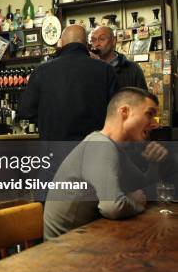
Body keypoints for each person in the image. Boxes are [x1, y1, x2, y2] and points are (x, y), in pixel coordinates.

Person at [44, 87, 167, 239]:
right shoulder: (101, 146)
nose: (154, 124)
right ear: (124, 112)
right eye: (149, 114)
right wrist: (136, 202)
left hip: (87, 240)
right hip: (62, 252)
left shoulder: (113, 147)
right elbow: (113, 207)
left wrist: (154, 163)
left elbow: (142, 185)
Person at [18, 24, 118, 141]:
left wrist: (48, 121)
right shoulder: (106, 70)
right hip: (94, 146)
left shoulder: (41, 71)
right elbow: (116, 113)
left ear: (62, 43)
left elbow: (26, 111)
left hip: (54, 147)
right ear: (86, 44)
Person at [90, 25, 148, 90]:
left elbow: (143, 97)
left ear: (113, 41)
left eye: (102, 39)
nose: (97, 44)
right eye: (93, 40)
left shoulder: (133, 69)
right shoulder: (89, 68)